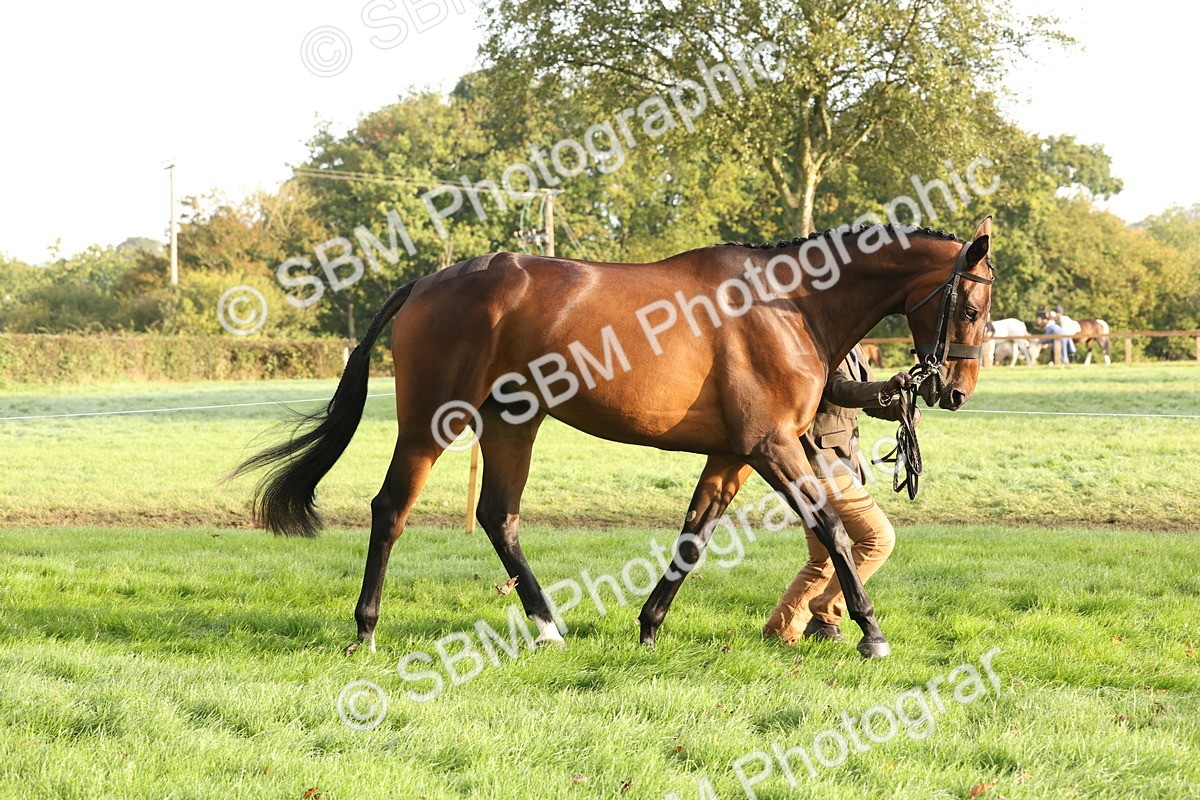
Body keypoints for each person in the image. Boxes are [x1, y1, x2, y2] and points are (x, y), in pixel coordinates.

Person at [762, 345, 917, 645]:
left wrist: (904, 408)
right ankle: (825, 612)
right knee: (878, 538)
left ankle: (780, 630)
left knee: (823, 560)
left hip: (832, 464)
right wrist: (883, 388)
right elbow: (839, 389)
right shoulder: (820, 340)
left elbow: (868, 401)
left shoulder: (855, 346)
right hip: (821, 466)